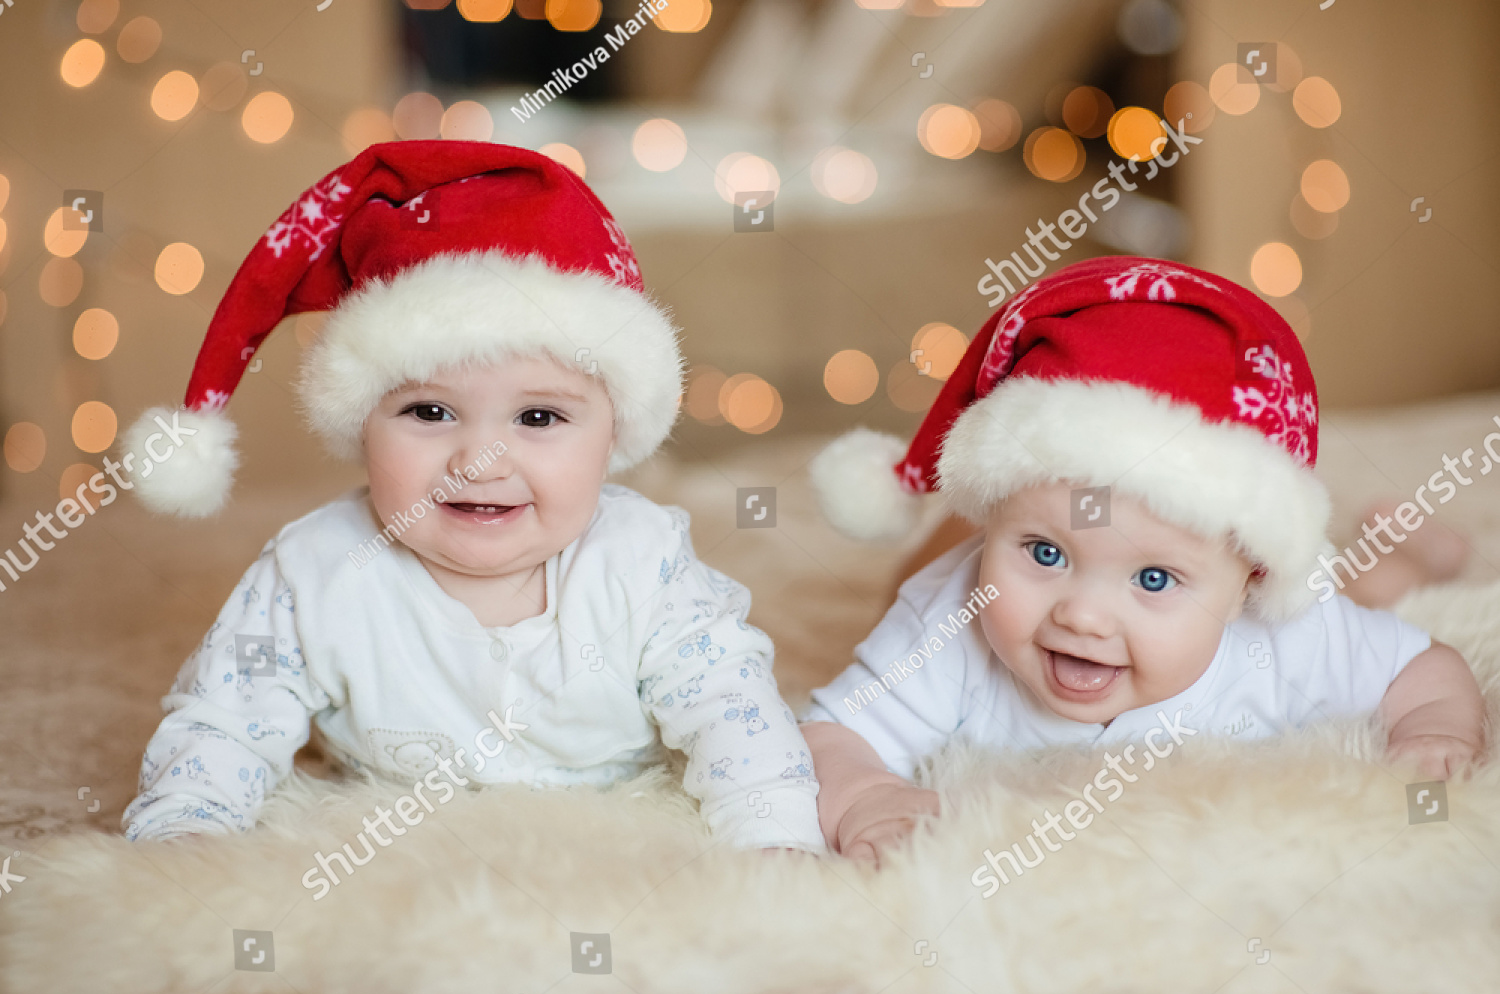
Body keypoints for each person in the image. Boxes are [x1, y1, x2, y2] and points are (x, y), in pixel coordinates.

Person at [120, 142, 822, 852]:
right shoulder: (318, 569)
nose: (479, 461)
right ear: (359, 424)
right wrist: (188, 828)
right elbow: (226, 720)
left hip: (608, 822)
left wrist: (774, 839)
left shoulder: (643, 561)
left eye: (539, 418)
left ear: (614, 438)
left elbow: (731, 708)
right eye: (429, 412)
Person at [801, 256, 1484, 862]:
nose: (1084, 615)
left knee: (1367, 592)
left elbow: (1425, 670)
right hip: (966, 555)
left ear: (1251, 579)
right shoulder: (948, 623)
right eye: (1044, 552)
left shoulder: (1287, 638)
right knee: (906, 584)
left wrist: (1433, 730)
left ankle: (1416, 554)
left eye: (1153, 578)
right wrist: (865, 793)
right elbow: (831, 732)